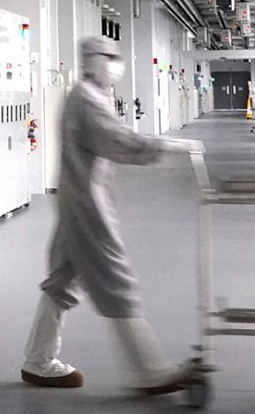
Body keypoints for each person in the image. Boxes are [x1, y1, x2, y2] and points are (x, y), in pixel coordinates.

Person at [19, 36, 202, 393]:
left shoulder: (85, 96)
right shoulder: (87, 101)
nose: (116, 66)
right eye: (111, 59)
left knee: (61, 281)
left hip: (75, 201)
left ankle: (37, 360)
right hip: (88, 207)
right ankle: (150, 371)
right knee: (114, 279)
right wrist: (173, 147)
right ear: (93, 60)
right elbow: (120, 143)